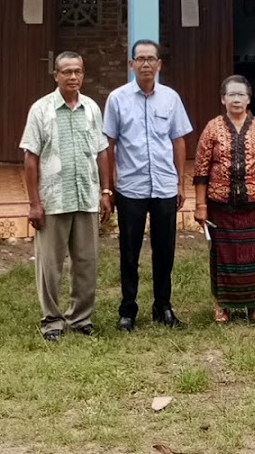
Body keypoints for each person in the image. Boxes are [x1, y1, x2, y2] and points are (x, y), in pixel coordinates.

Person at [20, 52, 112, 342]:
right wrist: (35, 203)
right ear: (56, 75)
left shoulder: (92, 109)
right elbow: (31, 157)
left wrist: (106, 191)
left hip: (86, 197)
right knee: (50, 264)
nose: (73, 77)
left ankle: (81, 317)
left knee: (87, 261)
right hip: (54, 201)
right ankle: (52, 320)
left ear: (84, 74)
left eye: (78, 71)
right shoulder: (41, 110)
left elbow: (102, 150)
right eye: (67, 72)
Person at [103, 39, 192, 330]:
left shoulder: (170, 98)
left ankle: (163, 307)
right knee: (129, 251)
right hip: (131, 187)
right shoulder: (117, 99)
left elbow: (178, 140)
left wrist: (180, 182)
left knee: (165, 250)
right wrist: (108, 186)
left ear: (159, 64)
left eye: (150, 59)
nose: (145, 64)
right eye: (139, 59)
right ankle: (128, 310)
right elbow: (109, 145)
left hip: (165, 186)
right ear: (131, 65)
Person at [193, 75, 255, 324]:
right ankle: (222, 305)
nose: (236, 99)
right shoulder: (212, 128)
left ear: (248, 99)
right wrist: (200, 205)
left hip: (254, 206)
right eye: (231, 94)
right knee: (223, 257)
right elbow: (201, 170)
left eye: (241, 94)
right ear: (223, 99)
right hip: (221, 207)